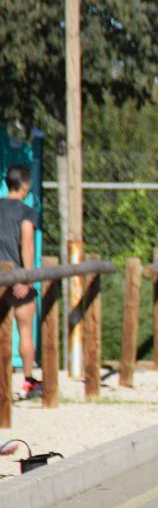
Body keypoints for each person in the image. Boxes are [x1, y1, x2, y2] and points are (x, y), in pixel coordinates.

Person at [1, 166, 41, 399]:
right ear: (25, 186)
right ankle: (28, 381)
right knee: (24, 328)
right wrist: (27, 276)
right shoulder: (26, 211)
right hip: (15, 275)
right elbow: (26, 242)